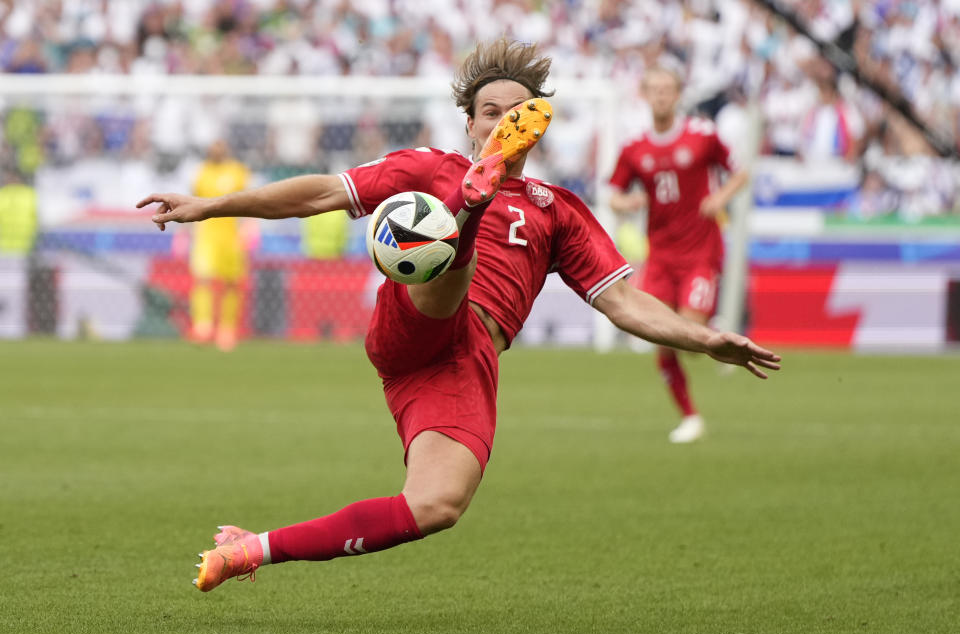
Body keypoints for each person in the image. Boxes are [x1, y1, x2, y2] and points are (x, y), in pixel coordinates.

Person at [137, 39, 780, 592]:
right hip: (420, 314)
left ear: (538, 124)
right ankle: (465, 218)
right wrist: (208, 205)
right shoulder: (427, 168)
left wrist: (704, 338)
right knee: (440, 245)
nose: (503, 121)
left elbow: (620, 300)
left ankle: (248, 549)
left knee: (437, 505)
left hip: (464, 363)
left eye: (516, 114)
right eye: (489, 114)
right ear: (470, 125)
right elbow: (323, 191)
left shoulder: (559, 211)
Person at [608, 66, 750, 443]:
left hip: (701, 252)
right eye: (654, 89)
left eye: (667, 89)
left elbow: (740, 172)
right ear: (644, 93)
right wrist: (629, 201)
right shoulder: (634, 146)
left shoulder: (701, 136)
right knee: (661, 333)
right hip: (661, 256)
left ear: (677, 94)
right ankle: (690, 416)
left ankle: (716, 334)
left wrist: (719, 197)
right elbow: (613, 193)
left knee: (690, 338)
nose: (660, 95)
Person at [185, 139, 254, 351]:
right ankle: (202, 326)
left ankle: (227, 329)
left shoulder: (238, 171)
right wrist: (186, 232)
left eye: (220, 145)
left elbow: (252, 202)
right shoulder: (201, 172)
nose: (216, 149)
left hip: (231, 235)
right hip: (206, 235)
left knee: (232, 282)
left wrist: (249, 229)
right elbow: (191, 200)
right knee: (203, 279)